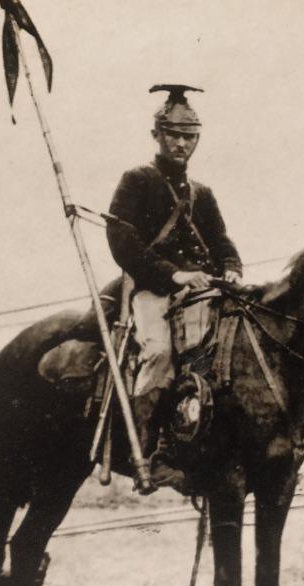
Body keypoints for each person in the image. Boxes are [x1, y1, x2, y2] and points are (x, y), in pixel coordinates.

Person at [106, 84, 243, 493]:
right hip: (154, 290)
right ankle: (148, 454)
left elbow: (221, 242)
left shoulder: (202, 194)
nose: (182, 144)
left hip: (205, 292)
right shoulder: (136, 181)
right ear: (157, 135)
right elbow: (122, 241)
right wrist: (173, 275)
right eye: (174, 135)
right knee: (160, 352)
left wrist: (232, 268)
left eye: (189, 136)